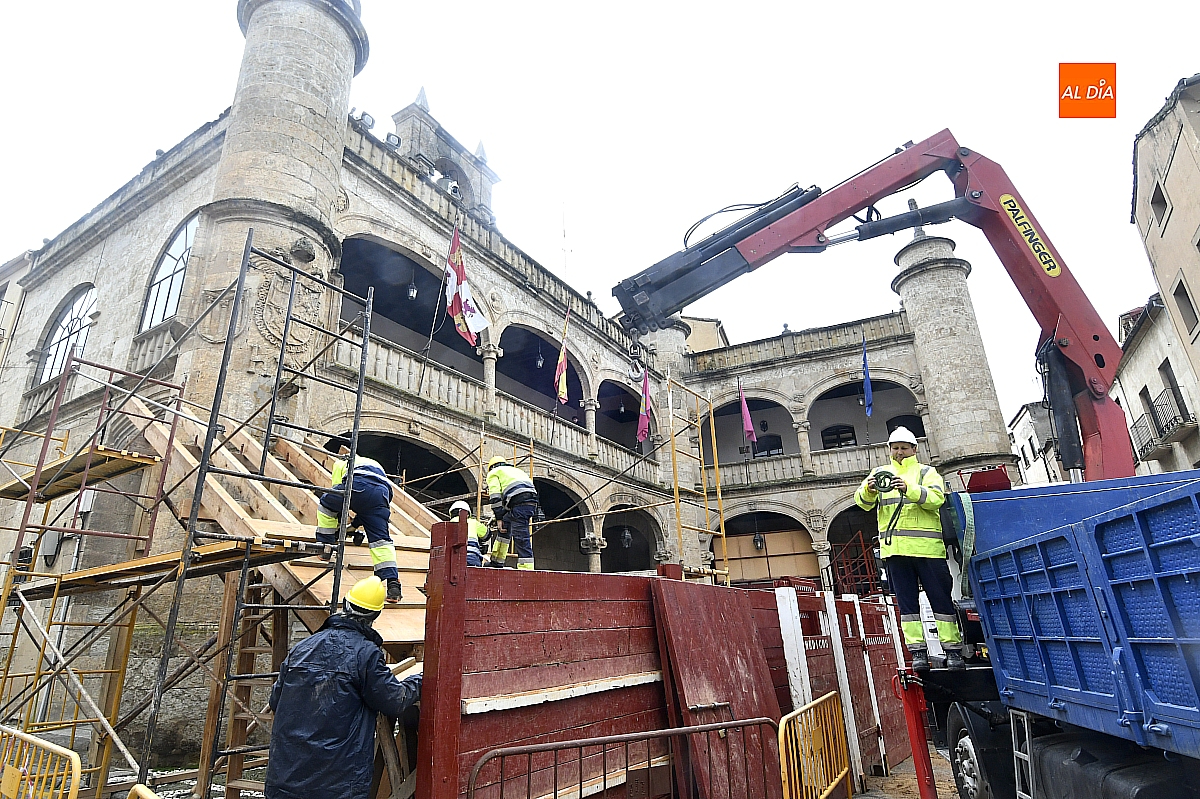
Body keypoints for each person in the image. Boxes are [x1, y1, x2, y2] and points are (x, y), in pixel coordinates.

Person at [265, 577, 423, 799]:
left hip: (285, 778)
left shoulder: (302, 648)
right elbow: (394, 699)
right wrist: (421, 680)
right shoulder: (366, 654)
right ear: (374, 616)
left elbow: (275, 701)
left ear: (345, 604)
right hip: (336, 784)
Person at [855, 426, 964, 671]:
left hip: (928, 550)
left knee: (941, 601)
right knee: (907, 606)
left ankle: (953, 651)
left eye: (904, 448)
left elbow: (937, 499)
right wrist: (868, 490)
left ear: (914, 449)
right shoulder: (879, 473)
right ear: (889, 450)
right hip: (896, 552)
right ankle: (918, 652)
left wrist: (909, 489)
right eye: (895, 448)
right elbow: (861, 503)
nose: (899, 452)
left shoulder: (927, 473)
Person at [316, 436, 402, 604]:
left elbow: (339, 496)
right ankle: (393, 585)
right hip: (383, 494)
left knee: (326, 504)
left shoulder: (341, 462)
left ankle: (325, 548)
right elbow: (366, 509)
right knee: (381, 541)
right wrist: (353, 526)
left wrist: (338, 530)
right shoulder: (372, 463)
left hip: (358, 483)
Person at [484, 456, 537, 570]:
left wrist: (498, 517)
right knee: (505, 527)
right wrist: (501, 517)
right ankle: (497, 561)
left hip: (519, 503)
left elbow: (495, 497)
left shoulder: (494, 473)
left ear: (491, 467)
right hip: (529, 502)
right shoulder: (516, 471)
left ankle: (526, 568)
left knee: (520, 534)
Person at [448, 500, 488, 566]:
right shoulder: (474, 522)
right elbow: (487, 535)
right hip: (473, 558)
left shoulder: (450, 524)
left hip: (455, 559)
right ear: (468, 514)